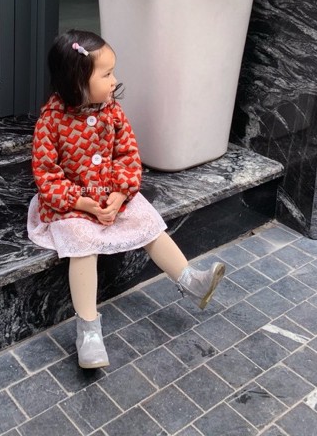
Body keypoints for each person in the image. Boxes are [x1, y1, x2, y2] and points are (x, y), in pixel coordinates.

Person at [27, 29, 226, 369]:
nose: (114, 81)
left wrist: (120, 194)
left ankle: (190, 280)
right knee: (81, 243)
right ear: (77, 81)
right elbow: (46, 175)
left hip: (111, 193)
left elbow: (128, 156)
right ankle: (88, 331)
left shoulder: (112, 112)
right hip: (71, 204)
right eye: (106, 74)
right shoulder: (51, 122)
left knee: (148, 221)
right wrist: (81, 202)